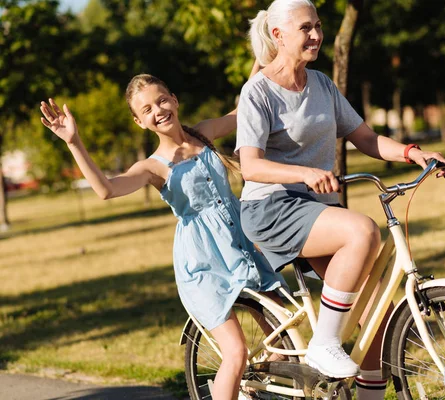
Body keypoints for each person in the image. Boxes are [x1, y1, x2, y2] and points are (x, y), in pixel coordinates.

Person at [235, 0, 445, 398]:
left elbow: (366, 138)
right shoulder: (257, 92)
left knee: (377, 315)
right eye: (306, 28)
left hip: (316, 209)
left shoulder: (322, 85)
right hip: (270, 209)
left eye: (318, 25)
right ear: (278, 35)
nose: (316, 34)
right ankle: (323, 346)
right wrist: (305, 173)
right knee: (362, 231)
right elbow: (251, 166)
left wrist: (412, 152)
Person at [39, 69, 287, 400]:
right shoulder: (153, 167)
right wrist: (74, 142)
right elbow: (106, 190)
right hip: (204, 266)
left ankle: (252, 390)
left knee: (284, 340)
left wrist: (262, 62)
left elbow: (241, 110)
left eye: (162, 100)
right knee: (236, 352)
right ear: (140, 122)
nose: (159, 111)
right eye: (147, 110)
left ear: (174, 99)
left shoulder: (204, 134)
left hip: (241, 250)